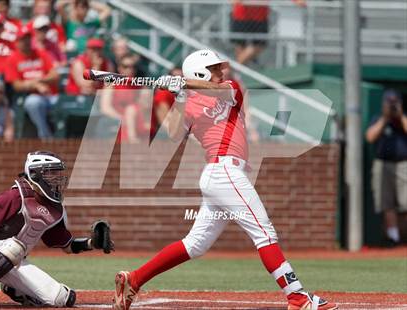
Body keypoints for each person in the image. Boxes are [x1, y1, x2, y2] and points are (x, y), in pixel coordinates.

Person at [113, 50, 338, 310]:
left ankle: (135, 279)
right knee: (264, 233)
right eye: (215, 68)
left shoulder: (230, 89)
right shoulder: (189, 102)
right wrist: (180, 95)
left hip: (223, 175)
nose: (222, 72)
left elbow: (212, 88)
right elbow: (174, 134)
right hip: (222, 172)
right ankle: (298, 297)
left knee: (195, 245)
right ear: (200, 71)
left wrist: (183, 82)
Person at [0, 151, 114, 307]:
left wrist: (92, 243)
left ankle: (15, 289)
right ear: (35, 175)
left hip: (10, 262)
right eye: (50, 174)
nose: (56, 180)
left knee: (63, 298)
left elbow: (66, 244)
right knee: (14, 247)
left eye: (57, 174)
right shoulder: (15, 197)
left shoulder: (53, 209)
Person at [366, 89, 407, 247]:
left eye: (394, 102)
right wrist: (385, 118)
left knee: (405, 204)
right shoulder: (379, 119)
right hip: (383, 164)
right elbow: (370, 137)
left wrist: (400, 116)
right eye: (389, 103)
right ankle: (393, 238)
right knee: (386, 204)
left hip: (404, 164)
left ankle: (403, 238)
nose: (392, 106)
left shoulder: (402, 120)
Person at [4, 27, 60, 139]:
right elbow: (17, 85)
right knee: (33, 102)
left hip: (51, 95)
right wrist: (35, 85)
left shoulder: (41, 54)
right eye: (22, 39)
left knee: (68, 103)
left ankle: (69, 139)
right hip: (29, 97)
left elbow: (55, 75)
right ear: (17, 41)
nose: (26, 41)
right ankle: (46, 137)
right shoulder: (12, 59)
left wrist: (39, 81)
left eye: (28, 38)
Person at [99, 55, 147, 143]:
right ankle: (132, 139)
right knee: (130, 110)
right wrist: (122, 118)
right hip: (116, 119)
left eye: (133, 67)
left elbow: (145, 108)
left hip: (136, 120)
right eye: (126, 66)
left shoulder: (140, 85)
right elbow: (105, 108)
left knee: (132, 109)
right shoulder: (111, 84)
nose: (130, 69)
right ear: (119, 68)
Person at [150, 67, 183, 141]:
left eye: (181, 78)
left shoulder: (187, 93)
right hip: (160, 133)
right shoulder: (163, 93)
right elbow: (165, 121)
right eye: (174, 78)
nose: (178, 81)